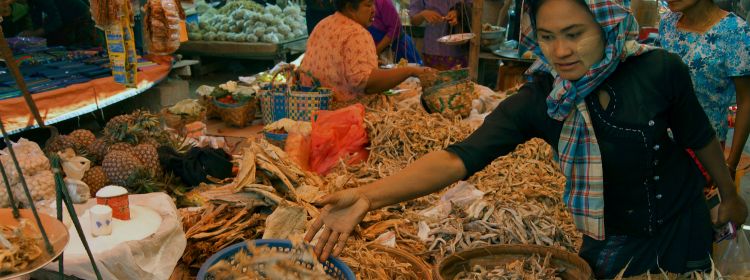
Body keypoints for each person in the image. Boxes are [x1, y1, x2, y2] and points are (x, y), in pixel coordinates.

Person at [305, 0, 749, 278]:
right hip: (609, 235)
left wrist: (729, 195)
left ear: (604, 25)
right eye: (548, 37)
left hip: (679, 219)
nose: (561, 52)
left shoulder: (658, 69)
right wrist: (367, 195)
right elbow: (460, 157)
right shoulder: (544, 97)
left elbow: (700, 136)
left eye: (575, 34)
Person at [659, 0, 750, 179]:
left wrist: (730, 164)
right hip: (661, 139)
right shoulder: (668, 23)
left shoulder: (737, 32)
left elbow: (746, 100)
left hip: (705, 146)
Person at [300, 0, 432, 103]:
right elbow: (366, 84)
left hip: (316, 105)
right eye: (368, 5)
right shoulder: (357, 33)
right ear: (350, 7)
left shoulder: (323, 24)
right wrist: (409, 71)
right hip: (347, 114)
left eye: (373, 4)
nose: (374, 10)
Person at [409, 0, 471, 70]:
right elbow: (413, 20)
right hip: (433, 49)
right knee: (433, 79)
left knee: (460, 80)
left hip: (458, 47)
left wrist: (459, 12)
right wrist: (423, 14)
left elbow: (472, 8)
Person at [18, 0, 95, 46]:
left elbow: (55, 21)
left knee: (82, 47)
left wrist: (34, 34)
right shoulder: (32, 3)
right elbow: (37, 18)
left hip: (79, 16)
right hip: (67, 17)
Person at [367, 0, 422, 64]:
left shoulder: (382, 2)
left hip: (398, 49)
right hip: (375, 51)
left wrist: (377, 50)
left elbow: (395, 29)